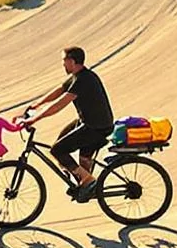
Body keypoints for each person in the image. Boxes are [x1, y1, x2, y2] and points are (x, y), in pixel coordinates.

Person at [24, 45, 114, 197]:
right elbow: (59, 91)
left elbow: (61, 103)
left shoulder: (83, 79)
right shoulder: (77, 77)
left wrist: (35, 118)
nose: (63, 64)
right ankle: (85, 183)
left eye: (64, 60)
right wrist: (36, 105)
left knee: (57, 150)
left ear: (72, 61)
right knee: (66, 147)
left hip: (96, 127)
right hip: (91, 122)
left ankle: (88, 181)